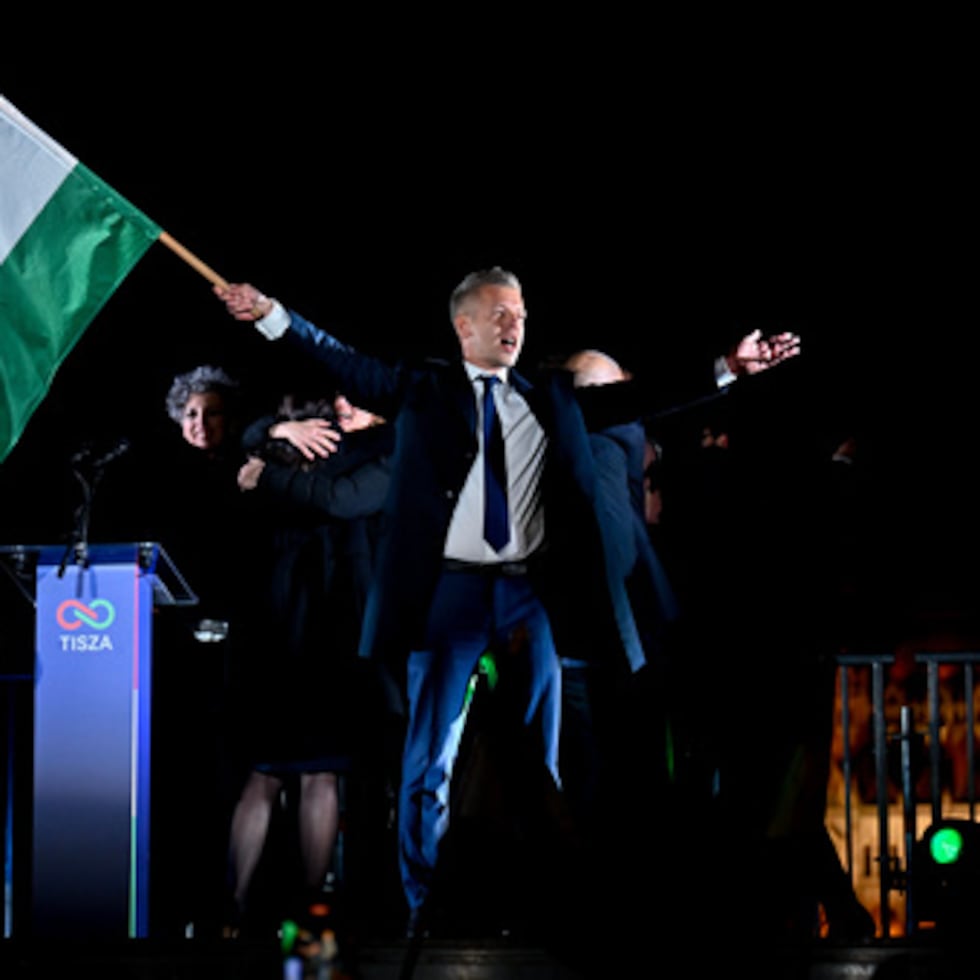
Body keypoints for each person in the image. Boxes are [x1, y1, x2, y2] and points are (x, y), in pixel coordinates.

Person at [214, 269, 801, 950]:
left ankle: (536, 900)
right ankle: (422, 906)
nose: (514, 325)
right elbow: (342, 360)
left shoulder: (551, 396)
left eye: (520, 313)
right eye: (498, 313)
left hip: (527, 593)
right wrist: (271, 314)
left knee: (537, 757)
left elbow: (645, 397)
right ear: (463, 326)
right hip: (449, 593)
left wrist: (729, 366)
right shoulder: (424, 389)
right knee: (430, 760)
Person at [222, 386, 395, 945]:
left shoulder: (374, 453)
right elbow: (246, 441)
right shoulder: (301, 454)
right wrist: (272, 435)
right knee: (294, 772)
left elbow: (336, 499)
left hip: (313, 624)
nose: (344, 414)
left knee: (281, 772)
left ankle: (259, 908)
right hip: (306, 625)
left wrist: (271, 441)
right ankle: (280, 908)